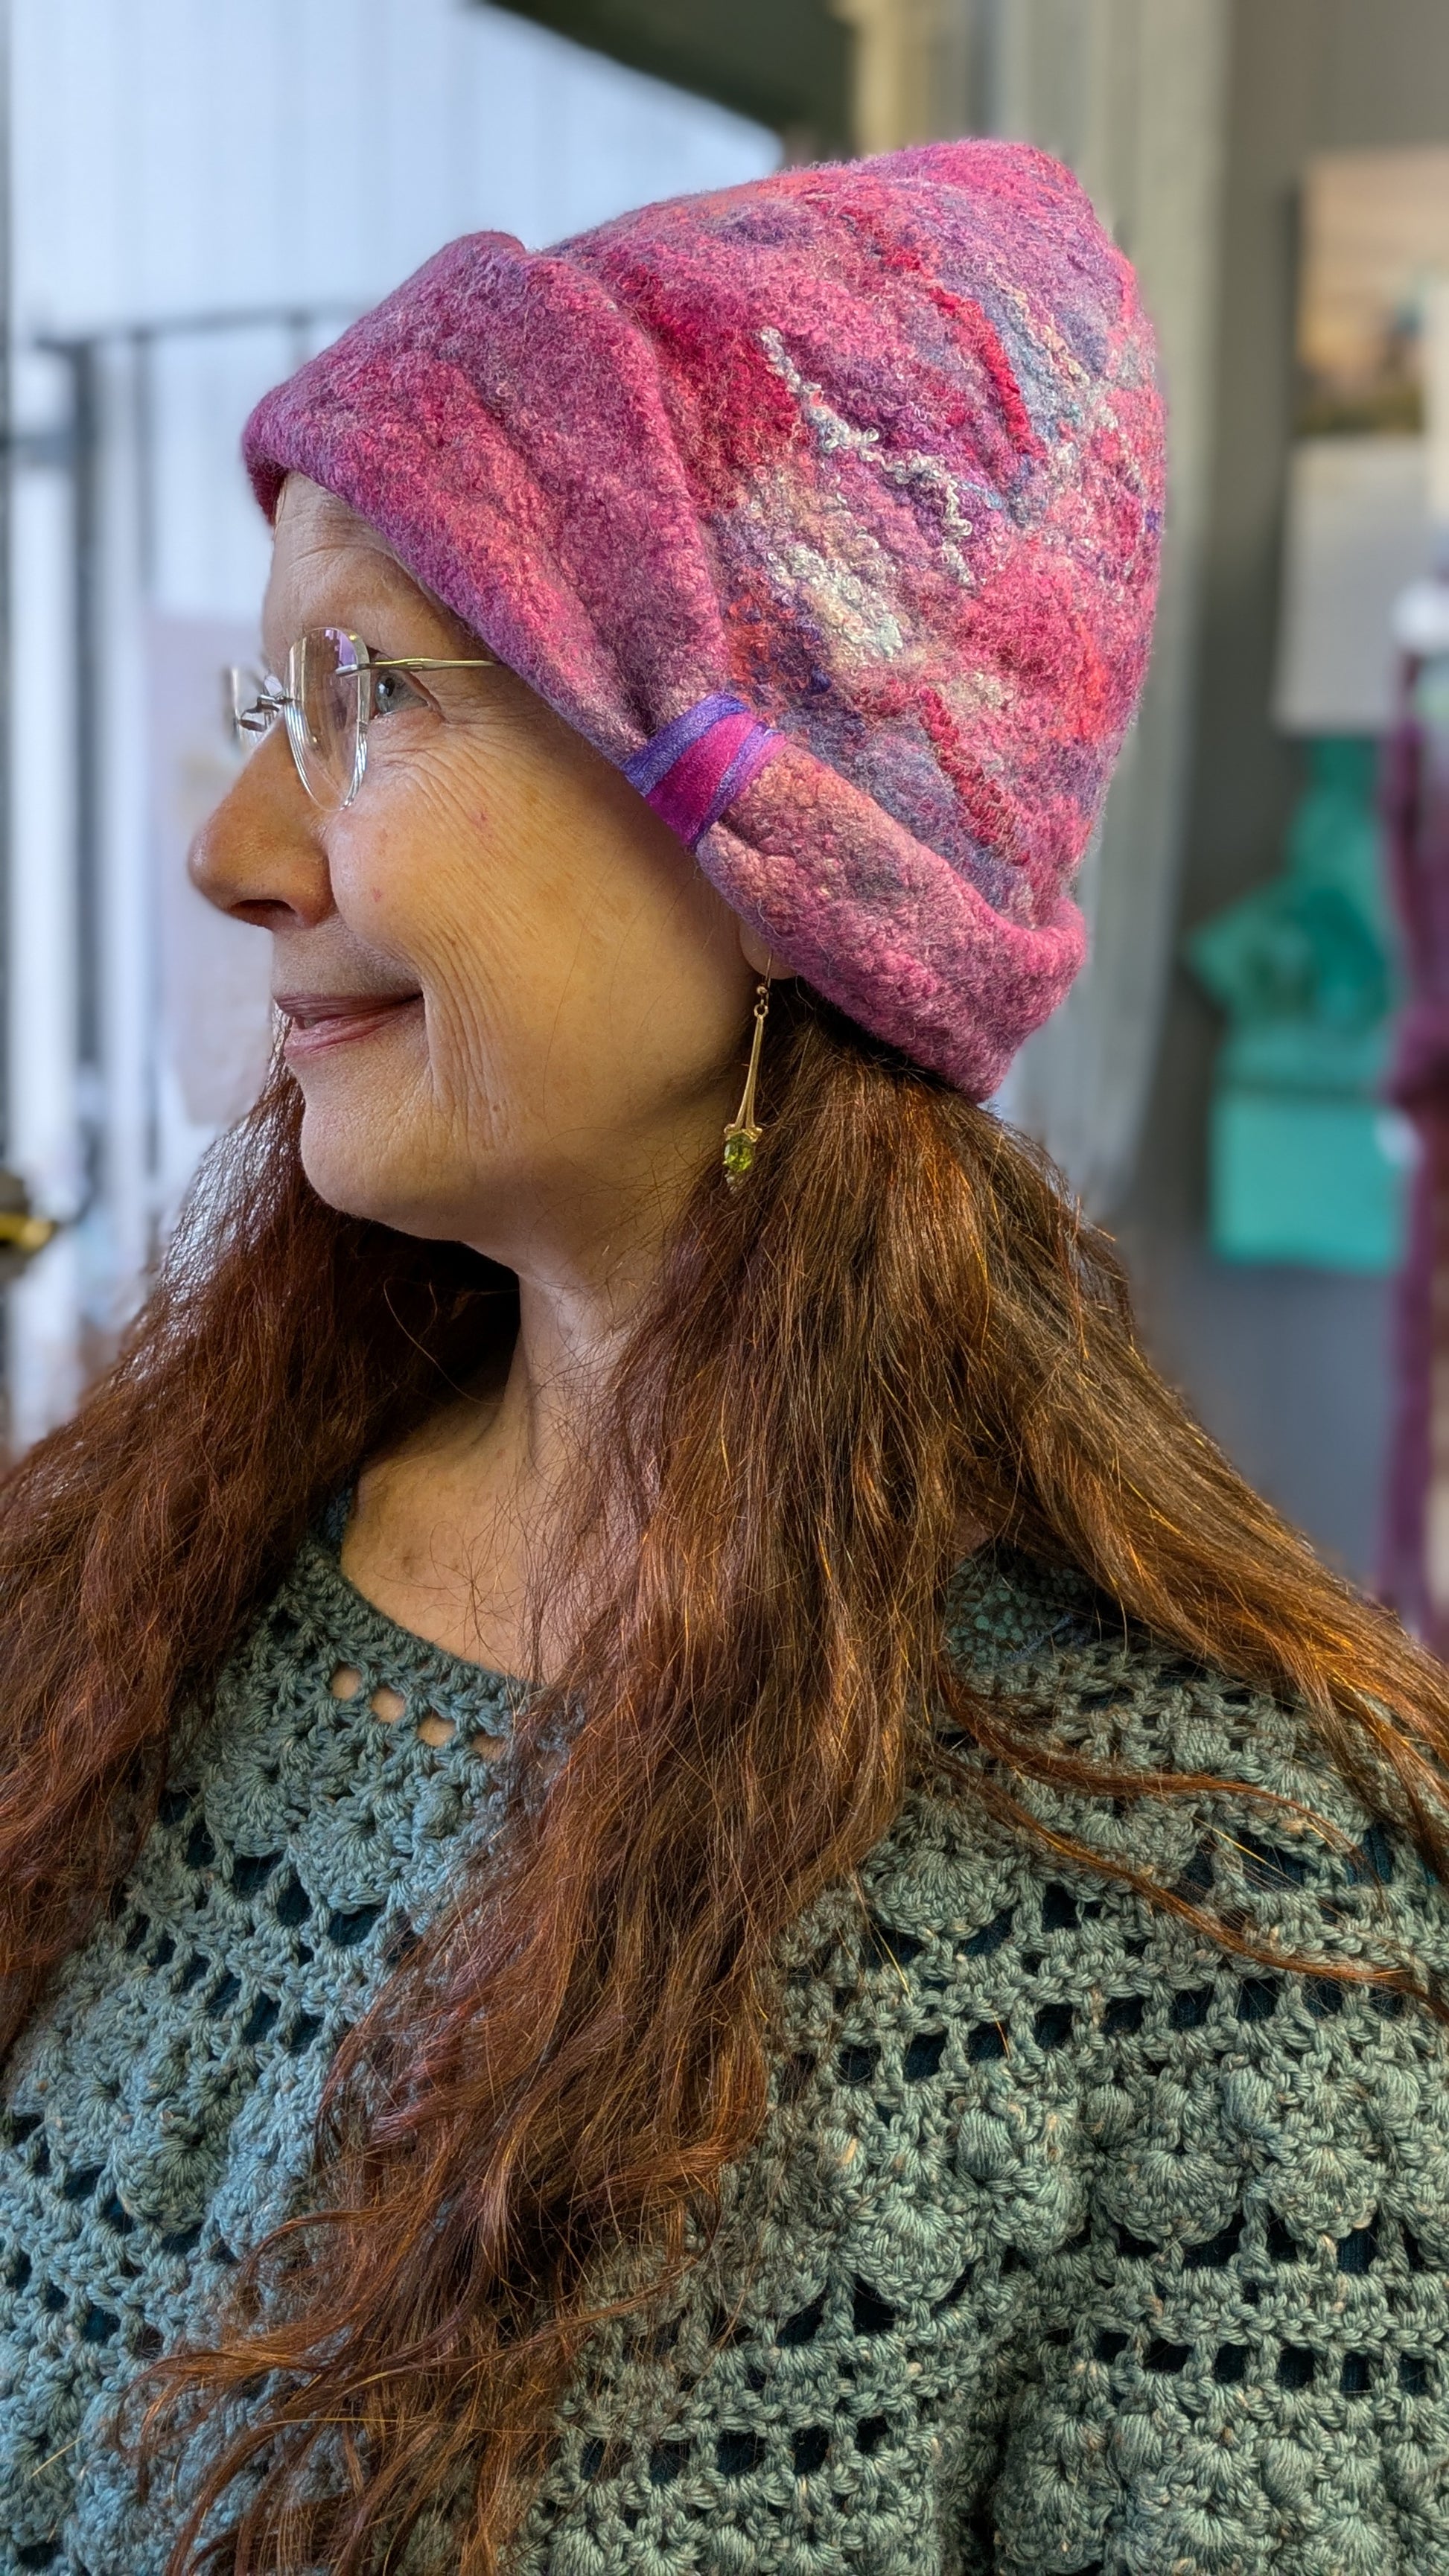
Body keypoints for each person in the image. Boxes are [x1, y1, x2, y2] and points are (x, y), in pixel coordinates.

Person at [1, 138, 1448, 2576]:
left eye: (364, 695)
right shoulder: (133, 1593)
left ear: (793, 858)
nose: (236, 847)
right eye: (272, 698)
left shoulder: (1226, 1921)